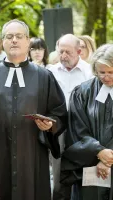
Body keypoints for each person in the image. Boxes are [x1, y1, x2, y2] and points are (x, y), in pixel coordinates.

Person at [0, 19, 67, 200]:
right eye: (9, 37)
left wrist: (50, 126)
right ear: (3, 42)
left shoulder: (44, 76)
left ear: (28, 41)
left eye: (19, 36)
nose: (14, 40)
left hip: (31, 156)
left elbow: (59, 113)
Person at [61, 43, 113, 200]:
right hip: (90, 164)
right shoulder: (83, 92)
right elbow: (76, 128)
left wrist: (108, 159)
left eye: (111, 72)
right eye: (101, 72)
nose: (106, 77)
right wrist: (98, 150)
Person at [49, 34, 93, 200]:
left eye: (68, 52)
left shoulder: (89, 72)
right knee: (59, 178)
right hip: (59, 129)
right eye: (61, 52)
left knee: (85, 176)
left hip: (83, 130)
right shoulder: (50, 72)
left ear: (79, 51)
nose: (63, 56)